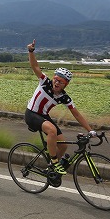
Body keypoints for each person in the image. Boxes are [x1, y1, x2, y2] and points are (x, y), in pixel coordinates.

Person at [25, 39, 96, 175]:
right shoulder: (45, 82)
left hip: (43, 116)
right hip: (31, 114)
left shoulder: (64, 97)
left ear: (66, 84)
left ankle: (50, 170)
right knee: (51, 131)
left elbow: (76, 114)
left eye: (61, 82)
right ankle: (55, 162)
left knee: (63, 145)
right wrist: (31, 51)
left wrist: (90, 130)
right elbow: (35, 66)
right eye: (56, 79)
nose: (57, 83)